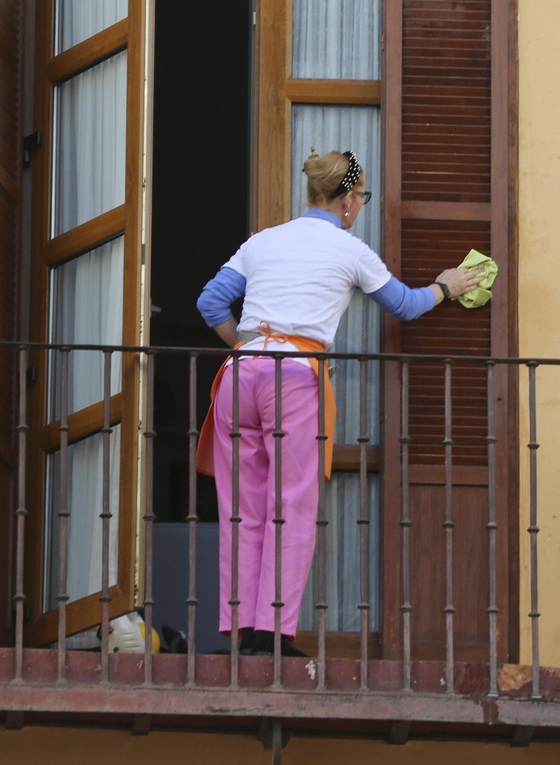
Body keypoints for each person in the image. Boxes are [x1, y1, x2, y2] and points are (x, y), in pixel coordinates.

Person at [193, 149, 484, 656]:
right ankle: (272, 635)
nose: (360, 206)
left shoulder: (262, 241)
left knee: (243, 510)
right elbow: (405, 305)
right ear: (349, 200)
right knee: (292, 505)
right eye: (362, 197)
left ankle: (242, 635)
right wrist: (446, 286)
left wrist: (244, 348)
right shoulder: (349, 251)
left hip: (240, 374)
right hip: (294, 377)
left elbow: (210, 303)